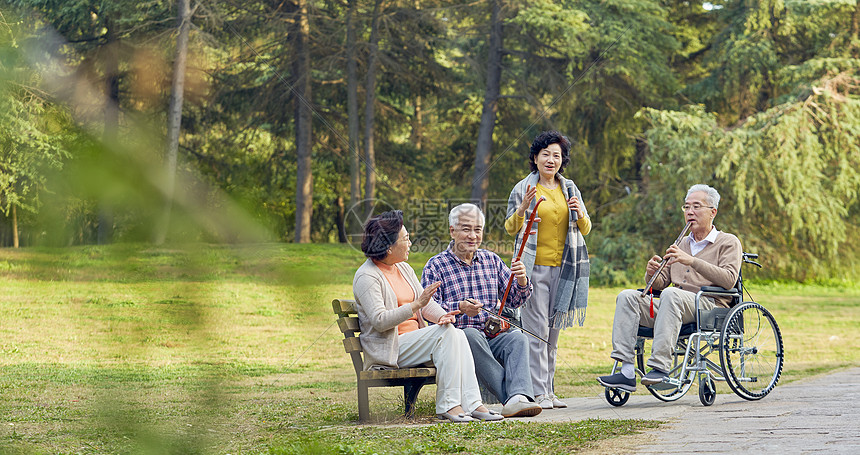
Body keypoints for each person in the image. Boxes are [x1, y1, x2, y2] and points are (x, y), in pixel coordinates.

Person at [352, 210, 502, 422]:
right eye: (406, 239)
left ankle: (473, 403)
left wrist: (443, 316)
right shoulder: (367, 276)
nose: (410, 243)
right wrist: (416, 305)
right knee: (448, 335)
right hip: (390, 348)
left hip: (414, 343)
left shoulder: (402, 268)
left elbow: (426, 305)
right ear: (389, 247)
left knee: (456, 333)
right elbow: (380, 321)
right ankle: (449, 406)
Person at [597, 184, 742, 392]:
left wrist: (692, 261)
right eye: (686, 207)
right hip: (673, 305)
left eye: (696, 207)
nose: (690, 212)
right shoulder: (682, 242)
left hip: (708, 305)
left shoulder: (728, 242)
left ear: (713, 212)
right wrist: (651, 272)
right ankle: (626, 371)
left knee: (672, 294)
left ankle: (660, 368)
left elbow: (729, 279)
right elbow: (660, 283)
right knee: (627, 296)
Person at [422, 203, 543, 418]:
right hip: (459, 341)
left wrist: (523, 280)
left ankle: (518, 398)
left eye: (477, 230)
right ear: (452, 231)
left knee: (517, 338)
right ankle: (512, 399)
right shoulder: (436, 265)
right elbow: (429, 310)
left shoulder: (491, 260)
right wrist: (460, 308)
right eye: (466, 229)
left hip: (492, 335)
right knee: (470, 334)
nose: (472, 235)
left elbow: (515, 299)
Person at [505, 130, 592, 409]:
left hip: (565, 269)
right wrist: (522, 209)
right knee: (536, 332)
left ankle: (549, 390)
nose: (551, 160)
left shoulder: (570, 189)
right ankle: (538, 392)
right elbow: (510, 228)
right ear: (535, 158)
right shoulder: (524, 188)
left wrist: (580, 213)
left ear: (562, 160)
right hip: (532, 270)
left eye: (556, 155)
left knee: (552, 332)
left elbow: (586, 229)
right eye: (546, 154)